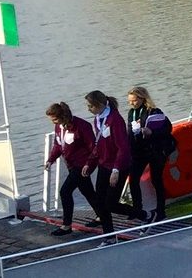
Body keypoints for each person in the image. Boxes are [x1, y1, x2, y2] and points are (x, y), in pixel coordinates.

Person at [84, 91, 148, 241]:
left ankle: (143, 214)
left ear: (99, 105)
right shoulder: (98, 119)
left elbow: (123, 148)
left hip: (118, 167)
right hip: (103, 165)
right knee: (100, 203)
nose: (88, 109)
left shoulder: (115, 119)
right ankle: (110, 236)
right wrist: (89, 163)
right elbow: (99, 144)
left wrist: (116, 170)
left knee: (110, 203)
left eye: (90, 106)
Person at [44, 102, 100, 236]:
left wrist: (89, 163)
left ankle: (66, 225)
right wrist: (50, 160)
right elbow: (58, 145)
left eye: (55, 119)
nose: (53, 123)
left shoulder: (82, 126)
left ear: (63, 116)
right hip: (71, 165)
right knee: (87, 191)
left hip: (82, 165)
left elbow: (93, 147)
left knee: (65, 192)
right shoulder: (59, 127)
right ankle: (102, 215)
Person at [126, 86, 173, 222]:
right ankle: (137, 209)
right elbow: (130, 133)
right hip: (139, 151)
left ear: (142, 98)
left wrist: (151, 132)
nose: (131, 103)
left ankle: (161, 210)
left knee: (156, 180)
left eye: (134, 100)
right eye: (130, 101)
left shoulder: (154, 111)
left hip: (155, 150)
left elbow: (167, 129)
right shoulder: (131, 113)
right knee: (133, 179)